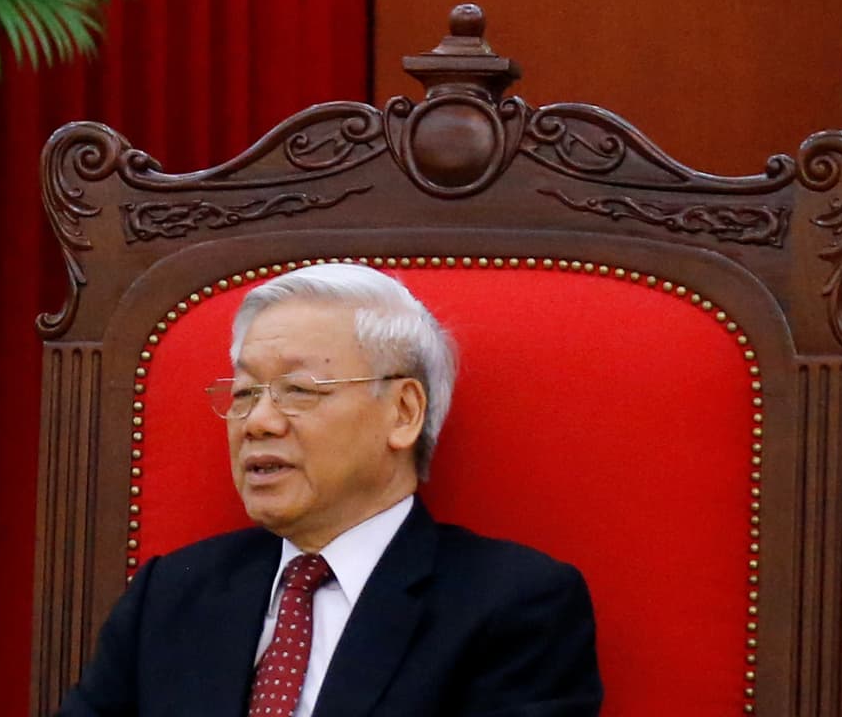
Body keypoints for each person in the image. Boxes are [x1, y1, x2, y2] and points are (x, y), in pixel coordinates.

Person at [52, 262, 599, 716]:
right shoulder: (171, 594)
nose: (257, 422)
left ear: (403, 413)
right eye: (244, 393)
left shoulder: (513, 606)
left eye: (298, 390)